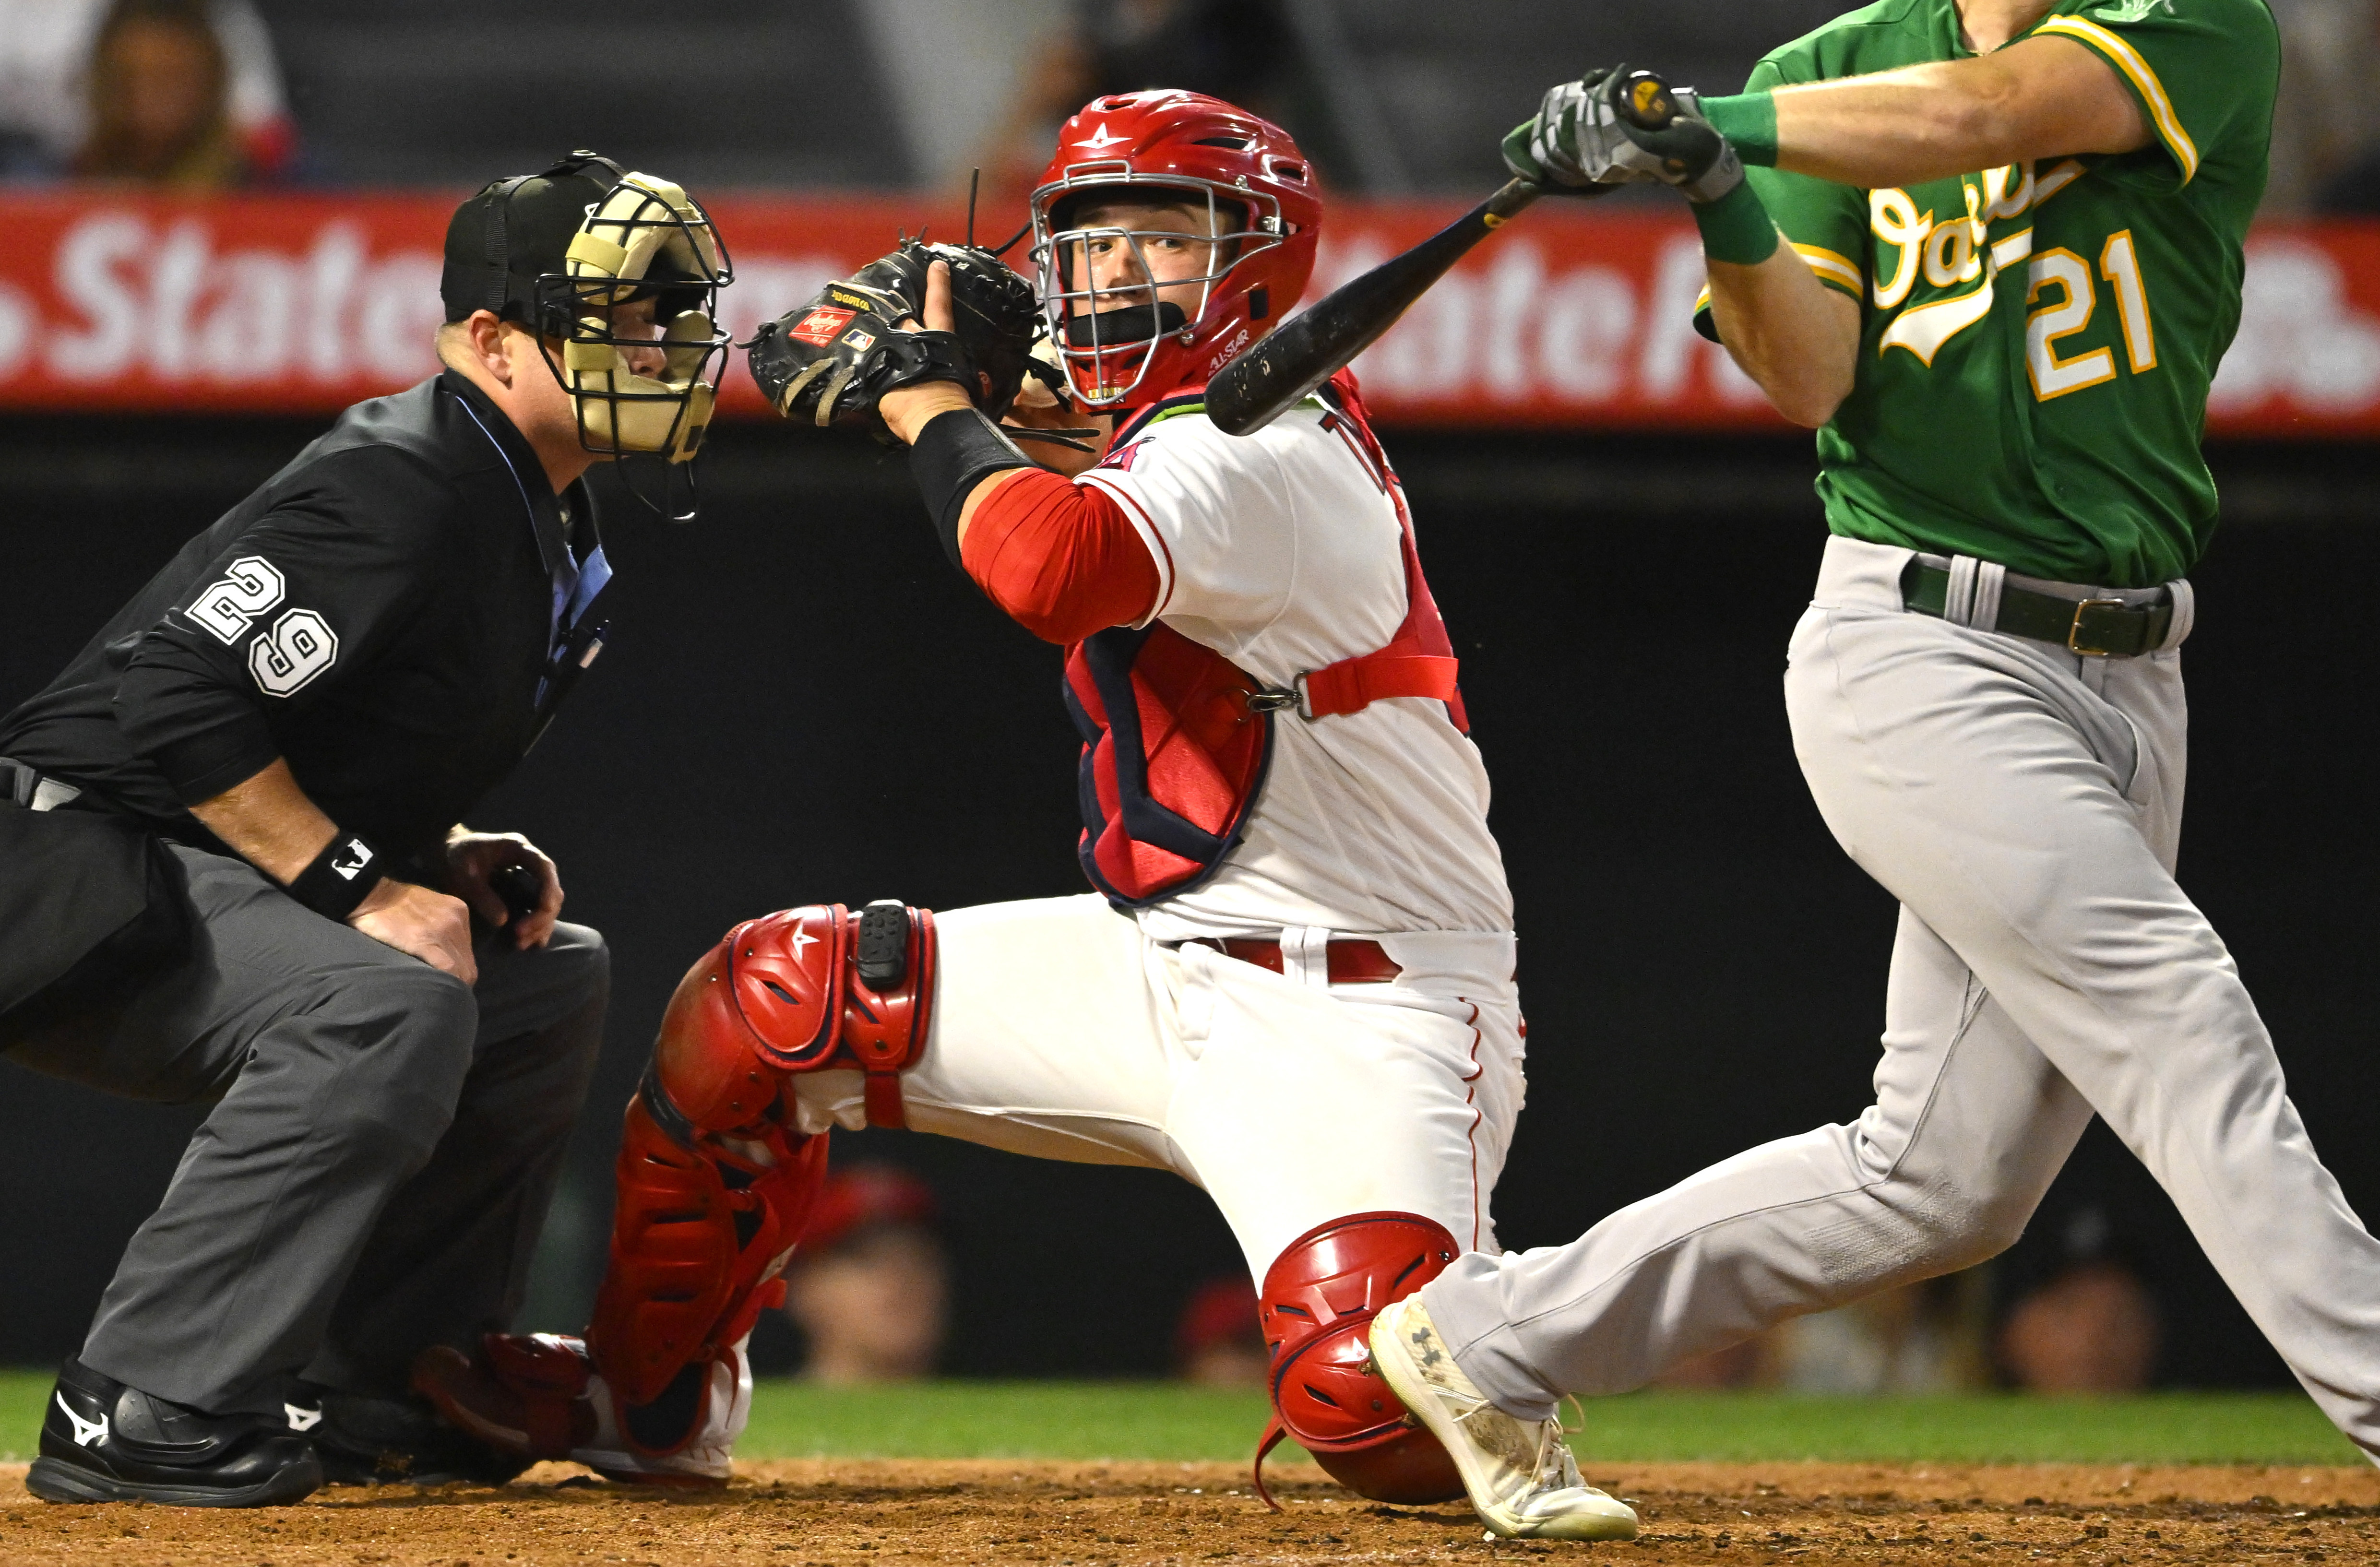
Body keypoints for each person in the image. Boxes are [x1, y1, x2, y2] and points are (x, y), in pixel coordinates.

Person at [412, 87, 1636, 1537]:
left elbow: (1052, 568)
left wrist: (932, 398)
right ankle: (649, 1399)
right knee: (768, 1000)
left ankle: (1500, 1349)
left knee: (1375, 1411)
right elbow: (978, 421)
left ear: (1258, 255)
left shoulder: (1266, 449)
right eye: (1092, 238)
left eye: (1163, 236)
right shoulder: (1182, 425)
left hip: (1361, 1004)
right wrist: (964, 390)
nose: (1115, 272)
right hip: (1166, 960)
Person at [1354, 0, 2380, 1541]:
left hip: (2131, 665)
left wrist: (1709, 125)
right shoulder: (1823, 74)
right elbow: (1810, 376)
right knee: (2181, 1018)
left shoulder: (2194, 23)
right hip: (1924, 648)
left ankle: (1489, 1335)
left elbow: (1980, 116)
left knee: (1943, 1181)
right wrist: (1717, 188)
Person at [0, 151, 732, 1506]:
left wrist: (425, 846)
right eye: (623, 312)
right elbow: (173, 693)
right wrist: (361, 885)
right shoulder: (409, 479)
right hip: (62, 870)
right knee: (386, 996)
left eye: (669, 312)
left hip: (164, 867)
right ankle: (143, 1402)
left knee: (547, 975)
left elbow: (310, 724)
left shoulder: (530, 501)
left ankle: (384, 1385)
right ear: (493, 341)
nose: (664, 343)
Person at [778, 1165, 949, 1384]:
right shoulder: (743, 1417)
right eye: (867, 1259)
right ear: (799, 1288)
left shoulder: (990, 1415)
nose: (902, 1278)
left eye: (922, 1256)